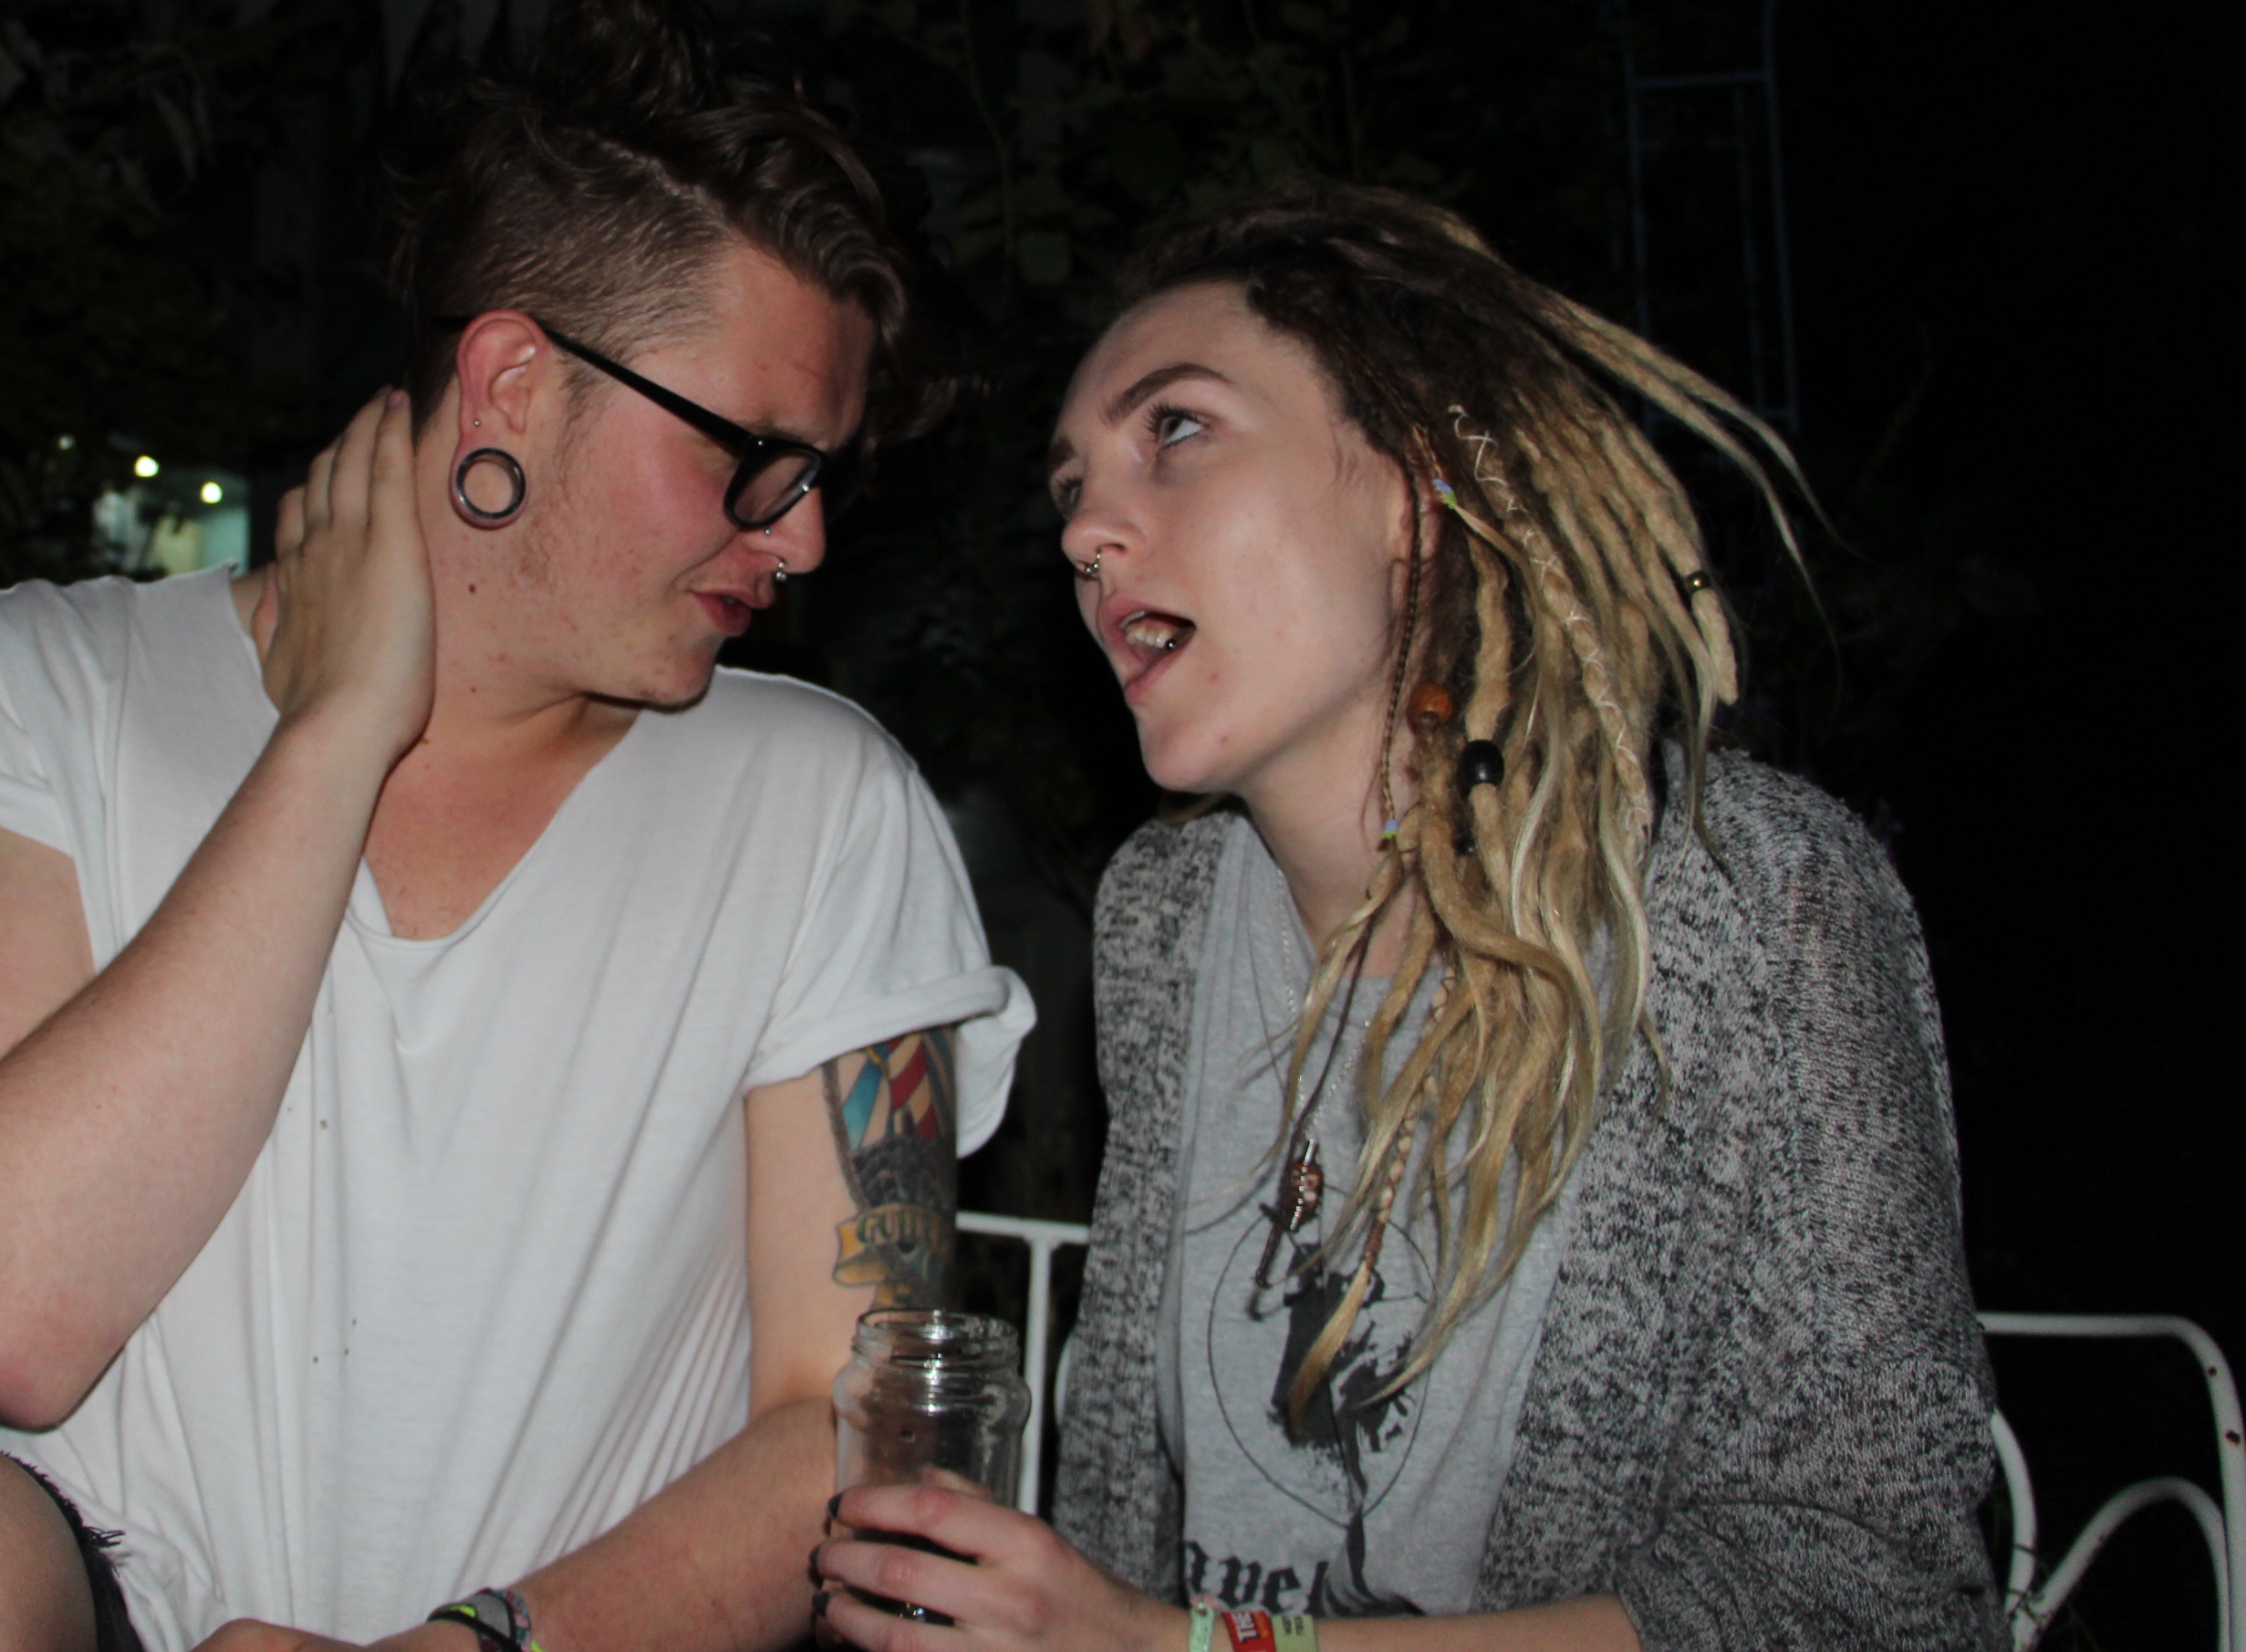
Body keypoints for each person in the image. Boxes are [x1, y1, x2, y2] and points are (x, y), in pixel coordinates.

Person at [0, 0, 1034, 1652]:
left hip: (540, 1645)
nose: (805, 537)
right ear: (513, 385)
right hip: (92, 1607)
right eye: (754, 455)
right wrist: (334, 736)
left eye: (821, 475)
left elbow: (854, 1422)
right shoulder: (46, 684)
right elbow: (8, 1320)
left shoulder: (818, 802)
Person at [812, 182, 2000, 1650]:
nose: (1088, 532)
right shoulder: (1165, 916)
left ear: (1412, 485)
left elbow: (1870, 1588)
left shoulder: (1748, 902)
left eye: (1175, 428)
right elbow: (1130, 1500)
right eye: (1070, 490)